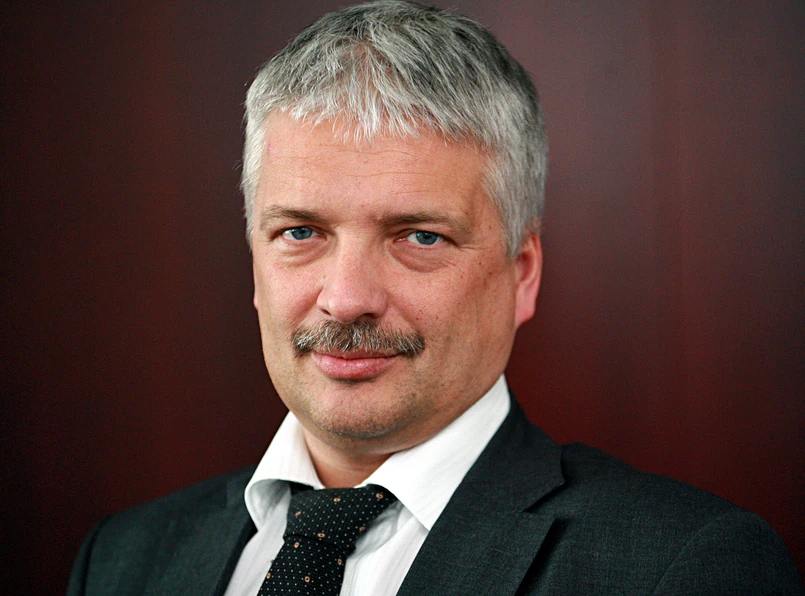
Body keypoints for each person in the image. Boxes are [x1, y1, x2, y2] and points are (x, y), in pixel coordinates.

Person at [68, 1, 803, 594]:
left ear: (522, 274)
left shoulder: (681, 569)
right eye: (300, 232)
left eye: (419, 236)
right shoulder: (123, 560)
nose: (346, 299)